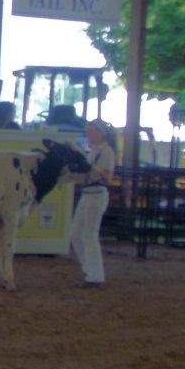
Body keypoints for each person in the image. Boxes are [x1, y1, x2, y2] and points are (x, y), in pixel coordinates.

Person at [70, 119, 116, 286]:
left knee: (88, 234)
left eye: (91, 131)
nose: (89, 135)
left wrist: (89, 168)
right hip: (88, 193)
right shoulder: (95, 151)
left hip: (96, 193)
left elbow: (107, 177)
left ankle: (94, 275)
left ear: (101, 133)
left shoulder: (106, 151)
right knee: (77, 233)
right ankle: (90, 270)